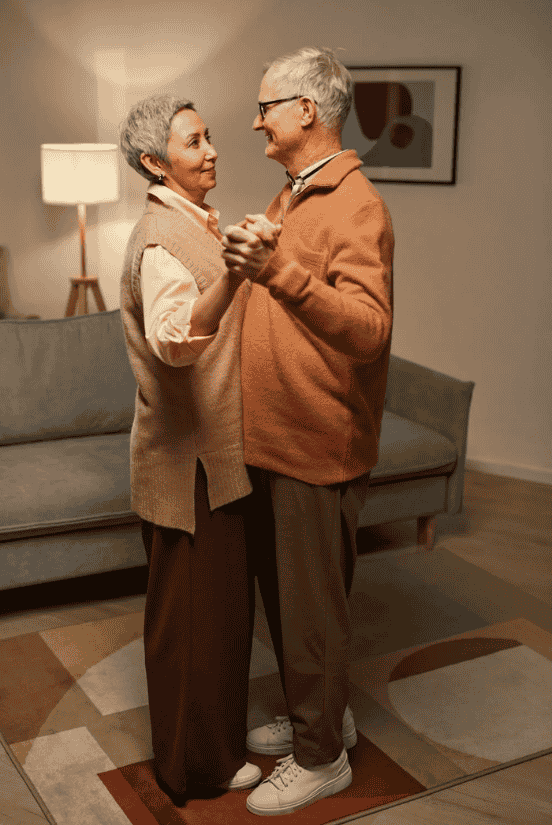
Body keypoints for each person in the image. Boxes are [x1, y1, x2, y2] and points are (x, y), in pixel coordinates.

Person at [222, 47, 394, 816]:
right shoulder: (295, 193)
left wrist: (280, 275)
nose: (255, 118)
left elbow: (368, 329)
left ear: (306, 111)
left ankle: (322, 758)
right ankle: (322, 717)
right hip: (273, 441)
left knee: (313, 611)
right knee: (292, 606)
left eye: (266, 105)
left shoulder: (355, 204)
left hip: (318, 448)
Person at [118, 95, 278, 801]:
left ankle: (209, 742)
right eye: (193, 142)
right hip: (187, 468)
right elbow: (175, 342)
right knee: (191, 625)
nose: (211, 150)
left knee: (214, 618)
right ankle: (195, 766)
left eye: (209, 136)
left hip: (214, 461)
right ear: (157, 162)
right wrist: (234, 274)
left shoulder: (192, 220)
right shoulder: (159, 238)